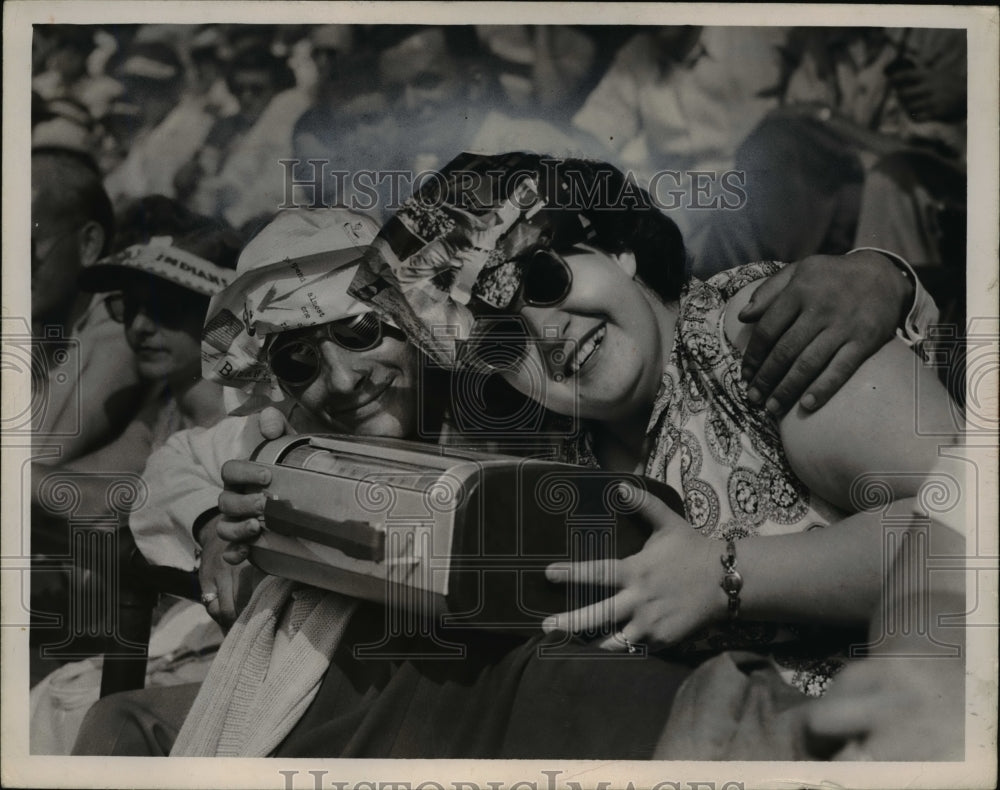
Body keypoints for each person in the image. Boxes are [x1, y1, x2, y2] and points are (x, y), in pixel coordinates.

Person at [74, 196, 929, 757]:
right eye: (297, 359)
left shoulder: (534, 393)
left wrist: (883, 273)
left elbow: (953, 522)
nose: (338, 379)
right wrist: (219, 529)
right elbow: (187, 464)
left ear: (417, 332)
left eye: (363, 334)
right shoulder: (308, 433)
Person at [30, 223, 243, 754]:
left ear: (220, 319)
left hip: (216, 639)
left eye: (167, 309)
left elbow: (98, 497)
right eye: (129, 307)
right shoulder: (163, 413)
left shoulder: (243, 419)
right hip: (161, 631)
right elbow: (73, 488)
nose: (142, 328)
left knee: (57, 709)